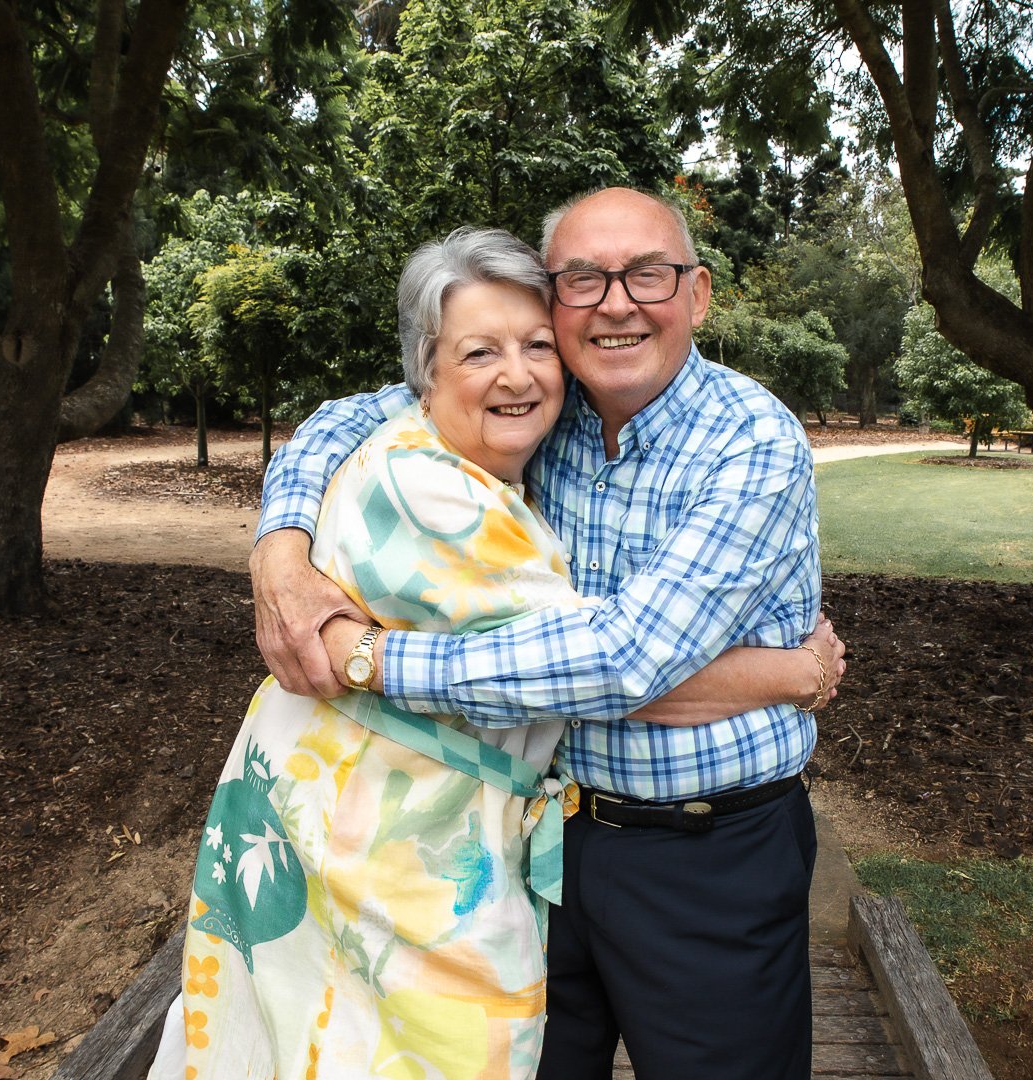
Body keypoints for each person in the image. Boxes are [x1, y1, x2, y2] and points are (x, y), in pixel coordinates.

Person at [150, 226, 842, 1080]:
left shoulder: (749, 440)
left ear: (698, 295)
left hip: (702, 857)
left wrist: (367, 655)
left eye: (649, 276)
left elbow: (617, 662)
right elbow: (346, 417)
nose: (617, 301)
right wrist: (278, 549)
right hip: (532, 843)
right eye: (584, 279)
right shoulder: (508, 434)